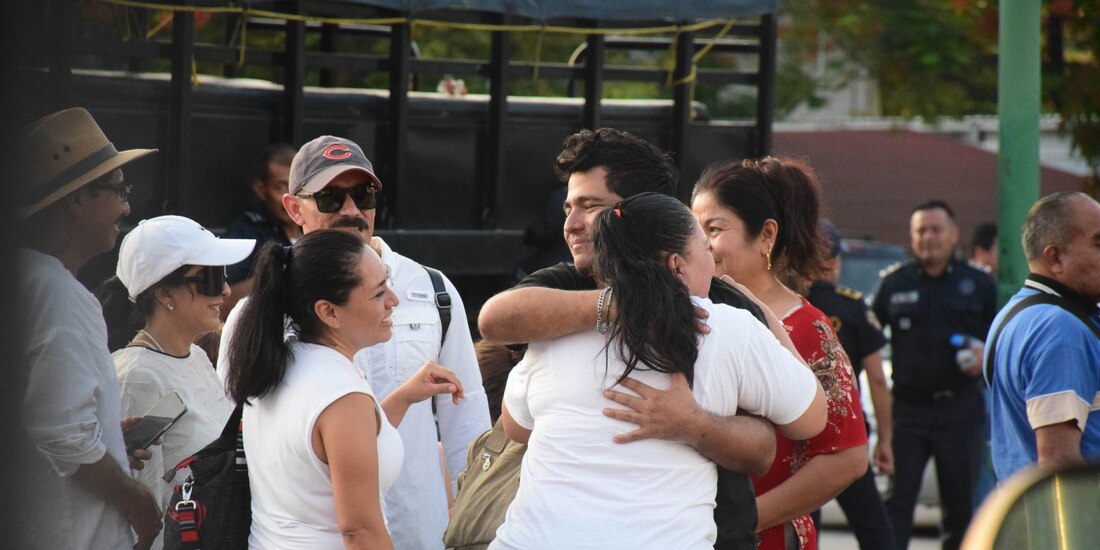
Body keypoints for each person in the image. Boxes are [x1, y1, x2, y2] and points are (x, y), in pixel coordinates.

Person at [479, 127, 813, 550]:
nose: (570, 225)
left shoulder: (723, 309)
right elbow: (495, 320)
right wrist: (626, 304)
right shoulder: (560, 293)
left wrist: (693, 424)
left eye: (589, 206)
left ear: (640, 210)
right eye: (568, 207)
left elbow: (766, 445)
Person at [217, 135, 489, 550]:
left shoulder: (432, 290)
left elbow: (465, 420)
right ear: (293, 208)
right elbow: (240, 439)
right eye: (330, 197)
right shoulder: (255, 317)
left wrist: (476, 526)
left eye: (365, 195)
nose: (351, 210)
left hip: (418, 534)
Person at [224, 230, 465, 549]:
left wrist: (405, 396)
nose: (394, 301)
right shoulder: (341, 395)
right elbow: (360, 532)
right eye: (379, 293)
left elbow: (332, 450)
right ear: (328, 312)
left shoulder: (280, 362)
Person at [692, 158, 868, 550]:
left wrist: (746, 518)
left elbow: (848, 457)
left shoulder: (805, 328)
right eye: (694, 231)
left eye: (715, 229)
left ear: (766, 236)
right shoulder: (693, 313)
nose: (702, 245)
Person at [14, 107, 162, 549]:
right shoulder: (59, 294)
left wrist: (109, 439)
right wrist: (135, 497)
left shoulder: (27, 279)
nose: (127, 205)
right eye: (118, 189)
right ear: (77, 199)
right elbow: (64, 436)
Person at [95, 215, 255, 549]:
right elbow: (141, 512)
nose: (225, 289)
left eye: (223, 275)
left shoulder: (195, 357)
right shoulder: (138, 377)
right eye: (210, 278)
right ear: (165, 292)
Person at [870, 199, 996, 550]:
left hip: (960, 409)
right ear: (911, 237)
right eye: (920, 231)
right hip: (908, 412)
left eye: (936, 230)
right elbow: (866, 337)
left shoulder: (978, 284)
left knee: (960, 512)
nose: (929, 238)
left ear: (954, 236)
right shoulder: (893, 284)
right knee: (896, 508)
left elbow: (999, 340)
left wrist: (983, 356)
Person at [986, 191, 1100, 480]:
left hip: (1029, 517)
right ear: (1056, 257)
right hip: (1072, 521)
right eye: (1099, 244)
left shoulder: (1013, 316)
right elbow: (1057, 460)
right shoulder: (1060, 329)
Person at [806, 219, 895, 550]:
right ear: (830, 261)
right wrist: (885, 439)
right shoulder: (852, 305)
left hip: (802, 439)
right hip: (846, 436)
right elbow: (877, 379)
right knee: (875, 530)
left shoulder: (787, 303)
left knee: (806, 527)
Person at [222, 143, 301, 317]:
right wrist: (274, 274)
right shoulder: (246, 232)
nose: (290, 197)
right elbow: (221, 301)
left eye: (296, 187)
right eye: (280, 187)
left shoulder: (316, 225)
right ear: (261, 189)